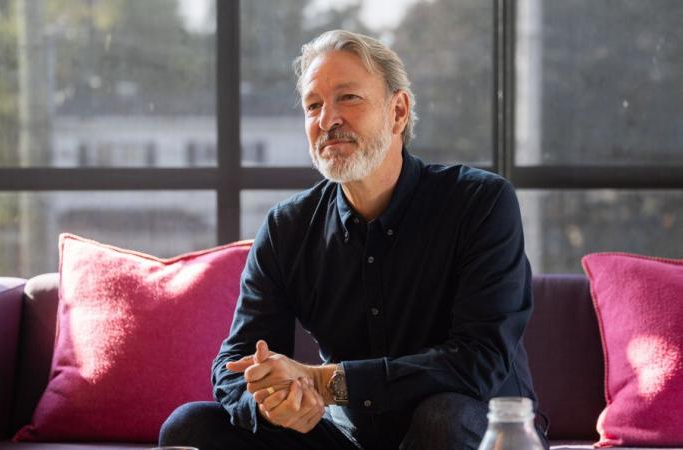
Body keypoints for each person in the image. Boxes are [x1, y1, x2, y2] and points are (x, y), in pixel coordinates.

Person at [159, 29, 547, 450]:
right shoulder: (287, 228)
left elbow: (479, 362)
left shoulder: (481, 203)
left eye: (348, 98)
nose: (328, 120)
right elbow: (236, 364)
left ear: (398, 111)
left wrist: (327, 383)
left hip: (478, 428)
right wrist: (274, 401)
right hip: (350, 438)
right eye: (313, 105)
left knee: (441, 419)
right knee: (190, 427)